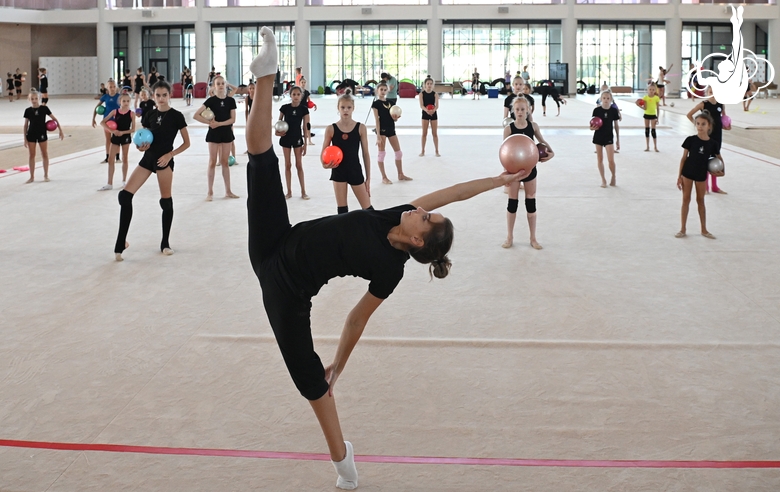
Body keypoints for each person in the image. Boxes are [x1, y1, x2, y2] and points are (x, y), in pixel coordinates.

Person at [244, 28, 527, 490]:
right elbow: (453, 194)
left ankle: (342, 462)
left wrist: (339, 363)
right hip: (276, 238)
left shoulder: (389, 269)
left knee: (314, 385)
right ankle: (265, 75)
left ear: (419, 243)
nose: (421, 209)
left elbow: (356, 320)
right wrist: (501, 180)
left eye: (426, 218)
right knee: (261, 160)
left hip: (286, 292)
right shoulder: (395, 214)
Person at [114, 80, 190, 261]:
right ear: (153, 96)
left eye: (165, 95)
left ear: (169, 95)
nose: (161, 98)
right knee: (124, 196)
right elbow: (145, 138)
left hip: (164, 161)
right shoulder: (148, 114)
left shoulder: (177, 116)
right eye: (158, 95)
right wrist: (142, 148)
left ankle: (165, 243)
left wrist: (170, 155)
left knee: (165, 201)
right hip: (148, 159)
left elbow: (187, 143)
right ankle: (121, 242)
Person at [502, 96, 553, 250]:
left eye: (523, 109)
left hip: (530, 169)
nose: (520, 112)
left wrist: (551, 153)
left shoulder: (533, 126)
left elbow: (542, 142)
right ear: (513, 111)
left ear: (528, 110)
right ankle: (509, 237)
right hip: (514, 171)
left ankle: (533, 238)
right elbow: (504, 152)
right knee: (512, 202)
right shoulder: (509, 129)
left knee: (530, 202)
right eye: (517, 109)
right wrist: (506, 175)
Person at [321, 89, 372, 214]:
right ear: (338, 108)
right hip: (338, 171)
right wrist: (324, 164)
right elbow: (323, 153)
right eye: (342, 107)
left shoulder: (361, 128)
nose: (345, 110)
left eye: (349, 107)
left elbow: (366, 154)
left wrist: (368, 178)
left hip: (355, 170)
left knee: (368, 210)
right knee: (342, 211)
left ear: (353, 108)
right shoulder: (331, 129)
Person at [676, 110, 722, 239]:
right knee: (686, 200)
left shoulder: (713, 144)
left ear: (709, 126)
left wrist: (721, 172)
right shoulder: (690, 140)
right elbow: (683, 159)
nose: (700, 126)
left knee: (700, 201)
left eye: (703, 124)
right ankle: (682, 229)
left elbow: (719, 159)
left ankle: (704, 229)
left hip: (701, 175)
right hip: (687, 173)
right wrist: (679, 176)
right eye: (698, 124)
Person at [194, 75, 239, 201]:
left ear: (225, 85)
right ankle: (210, 192)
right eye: (218, 83)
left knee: (225, 162)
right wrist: (209, 123)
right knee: (212, 162)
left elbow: (233, 119)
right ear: (214, 86)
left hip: (226, 133)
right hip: (214, 134)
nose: (220, 85)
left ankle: (228, 191)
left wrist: (218, 123)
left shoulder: (231, 101)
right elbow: (196, 115)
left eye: (222, 83)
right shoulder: (211, 101)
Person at [686, 86, 729, 194]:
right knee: (704, 159)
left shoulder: (721, 104)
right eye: (710, 92)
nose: (713, 94)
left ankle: (714, 186)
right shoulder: (703, 104)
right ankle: (705, 187)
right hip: (706, 136)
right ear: (707, 92)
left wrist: (727, 126)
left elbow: (723, 119)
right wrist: (698, 126)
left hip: (718, 135)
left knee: (715, 159)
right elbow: (689, 114)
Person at [372, 81, 410, 184]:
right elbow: (377, 119)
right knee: (381, 154)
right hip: (382, 130)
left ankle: (400, 174)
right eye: (381, 90)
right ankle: (384, 177)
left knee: (398, 153)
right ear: (377, 90)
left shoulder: (391, 103)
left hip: (391, 129)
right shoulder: (376, 104)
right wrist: (378, 136)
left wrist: (396, 118)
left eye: (385, 90)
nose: (383, 92)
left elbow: (393, 118)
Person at [276, 85, 310, 199]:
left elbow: (306, 127)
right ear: (290, 95)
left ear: (301, 96)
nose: (296, 96)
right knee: (287, 165)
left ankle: (303, 191)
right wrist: (277, 132)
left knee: (299, 165)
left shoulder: (304, 109)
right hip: (286, 137)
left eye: (298, 94)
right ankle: (289, 191)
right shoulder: (284, 108)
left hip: (297, 138)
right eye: (294, 94)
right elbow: (278, 123)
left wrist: (306, 143)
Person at [23, 89, 64, 183]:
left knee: (44, 153)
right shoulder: (28, 111)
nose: (34, 100)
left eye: (36, 98)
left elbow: (55, 119)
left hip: (42, 133)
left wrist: (60, 130)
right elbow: (26, 125)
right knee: (31, 155)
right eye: (32, 99)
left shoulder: (44, 109)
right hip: (31, 134)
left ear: (39, 98)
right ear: (29, 99)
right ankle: (31, 176)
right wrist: (25, 138)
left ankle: (46, 175)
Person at [98, 93, 135, 191]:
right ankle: (109, 183)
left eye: (128, 101)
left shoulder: (131, 114)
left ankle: (124, 181)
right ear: (120, 102)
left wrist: (122, 132)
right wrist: (112, 131)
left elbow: (133, 129)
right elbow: (102, 122)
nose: (126, 103)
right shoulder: (115, 112)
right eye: (124, 101)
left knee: (125, 158)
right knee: (111, 159)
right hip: (115, 136)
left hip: (125, 137)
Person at [591, 90, 621, 188]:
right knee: (600, 159)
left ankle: (613, 176)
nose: (606, 100)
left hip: (609, 137)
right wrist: (592, 128)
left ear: (611, 99)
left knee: (611, 160)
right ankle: (603, 179)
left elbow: (616, 126)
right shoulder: (597, 110)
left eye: (608, 98)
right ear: (601, 99)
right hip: (598, 136)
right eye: (604, 98)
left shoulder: (613, 111)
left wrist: (618, 139)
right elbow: (592, 125)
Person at [92, 79, 121, 163]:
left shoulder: (119, 96)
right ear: (107, 87)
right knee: (108, 139)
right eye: (110, 87)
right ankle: (107, 157)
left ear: (116, 87)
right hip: (107, 121)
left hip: (117, 120)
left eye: (114, 86)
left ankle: (118, 157)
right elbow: (96, 108)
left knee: (116, 139)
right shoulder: (105, 97)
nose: (112, 88)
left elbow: (125, 107)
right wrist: (93, 119)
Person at [419, 75, 440, 157]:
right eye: (428, 83)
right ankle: (423, 150)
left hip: (433, 113)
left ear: (433, 85)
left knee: (434, 133)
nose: (429, 85)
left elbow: (437, 105)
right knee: (424, 133)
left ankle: (437, 150)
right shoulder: (421, 94)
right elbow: (421, 105)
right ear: (425, 84)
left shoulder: (435, 94)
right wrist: (427, 110)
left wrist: (433, 110)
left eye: (431, 84)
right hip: (425, 113)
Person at [640, 83, 661, 152]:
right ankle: (647, 146)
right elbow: (645, 108)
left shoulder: (656, 98)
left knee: (653, 131)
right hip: (646, 115)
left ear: (655, 90)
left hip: (653, 115)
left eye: (653, 89)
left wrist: (657, 117)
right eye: (650, 89)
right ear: (647, 90)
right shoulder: (645, 98)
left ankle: (655, 146)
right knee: (647, 130)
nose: (651, 91)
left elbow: (658, 108)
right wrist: (639, 105)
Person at [300, 77, 316, 144]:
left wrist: (314, 105)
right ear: (300, 83)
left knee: (307, 125)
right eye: (302, 82)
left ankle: (309, 140)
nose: (303, 84)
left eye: (304, 82)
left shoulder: (306, 92)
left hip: (305, 109)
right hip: (299, 109)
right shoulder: (298, 91)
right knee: (297, 125)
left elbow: (309, 101)